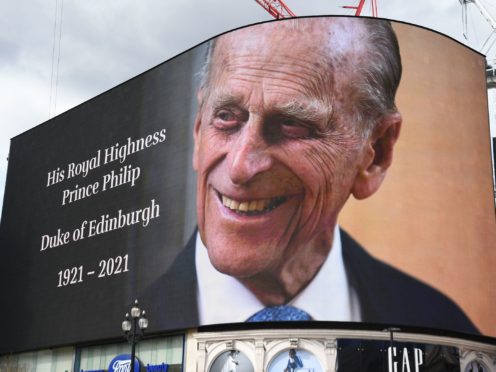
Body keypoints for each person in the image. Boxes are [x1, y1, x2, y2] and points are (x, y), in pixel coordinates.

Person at [144, 17, 477, 334]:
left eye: (292, 125)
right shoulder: (120, 329)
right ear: (199, 128)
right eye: (227, 116)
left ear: (376, 151)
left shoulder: (441, 323)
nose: (239, 166)